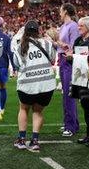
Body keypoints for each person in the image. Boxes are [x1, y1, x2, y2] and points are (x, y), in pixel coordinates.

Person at [11, 20, 56, 152]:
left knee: (24, 109)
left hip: (27, 85)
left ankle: (22, 139)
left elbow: (16, 65)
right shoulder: (47, 43)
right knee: (38, 111)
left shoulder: (20, 46)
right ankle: (35, 140)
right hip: (46, 84)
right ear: (38, 30)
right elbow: (53, 59)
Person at [66, 16, 89, 148]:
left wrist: (73, 56)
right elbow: (73, 60)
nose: (78, 27)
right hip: (80, 79)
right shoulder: (79, 40)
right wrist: (69, 57)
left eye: (81, 25)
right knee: (86, 107)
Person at [54, 3, 80, 137]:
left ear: (65, 12)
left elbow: (74, 47)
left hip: (69, 61)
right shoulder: (64, 26)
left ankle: (71, 126)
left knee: (69, 93)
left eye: (60, 10)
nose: (59, 13)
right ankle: (70, 123)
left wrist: (60, 44)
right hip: (62, 59)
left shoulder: (73, 26)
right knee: (66, 93)